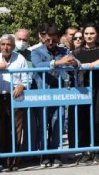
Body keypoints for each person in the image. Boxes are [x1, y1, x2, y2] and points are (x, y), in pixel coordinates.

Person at [31, 25, 78, 166]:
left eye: (53, 39)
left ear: (58, 38)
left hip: (59, 93)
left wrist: (74, 62)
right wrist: (58, 62)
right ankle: (44, 153)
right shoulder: (36, 52)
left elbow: (75, 63)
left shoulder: (64, 50)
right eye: (48, 39)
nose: (50, 42)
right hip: (42, 92)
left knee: (57, 122)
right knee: (43, 124)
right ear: (44, 38)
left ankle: (55, 152)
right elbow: (38, 65)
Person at [0, 34, 30, 170]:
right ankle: (1, 161)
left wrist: (21, 86)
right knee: (0, 130)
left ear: (13, 46)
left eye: (8, 44)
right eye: (3, 44)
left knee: (16, 130)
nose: (5, 47)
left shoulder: (20, 59)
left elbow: (27, 78)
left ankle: (13, 161)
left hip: (15, 98)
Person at [72, 23, 99, 163]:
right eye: (86, 34)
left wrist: (93, 64)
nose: (89, 36)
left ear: (97, 35)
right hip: (83, 89)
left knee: (96, 120)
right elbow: (72, 65)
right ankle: (85, 151)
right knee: (83, 119)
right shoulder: (77, 51)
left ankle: (96, 150)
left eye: (92, 33)